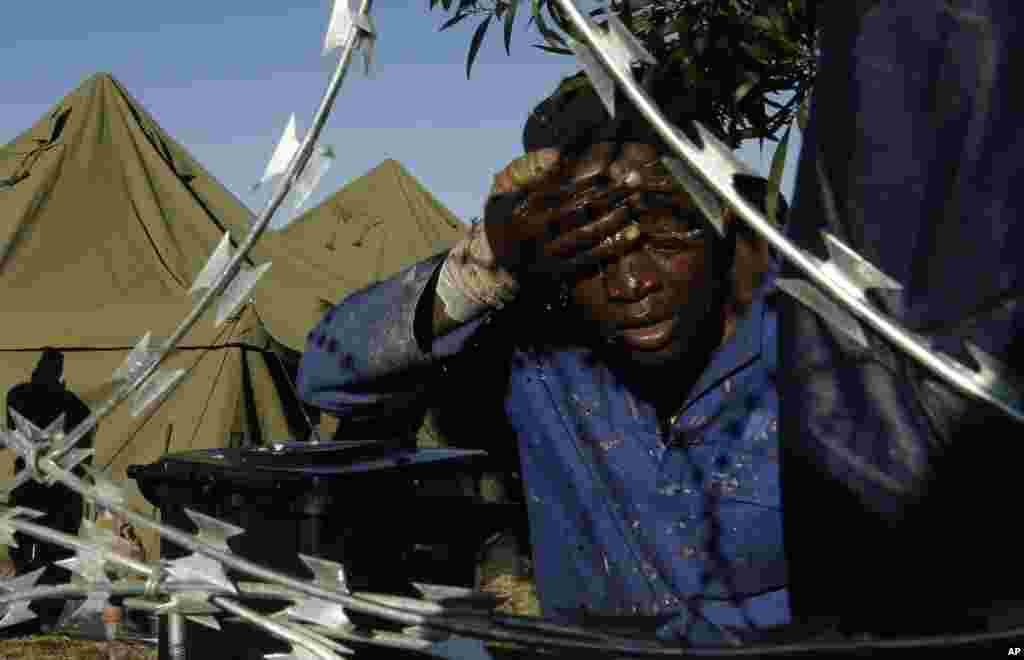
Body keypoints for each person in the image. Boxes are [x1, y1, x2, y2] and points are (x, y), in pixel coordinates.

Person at [298, 69, 789, 645]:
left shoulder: (817, 344)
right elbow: (329, 374)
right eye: (590, 256)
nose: (632, 283)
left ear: (717, 217)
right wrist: (484, 267)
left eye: (662, 238)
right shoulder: (536, 341)